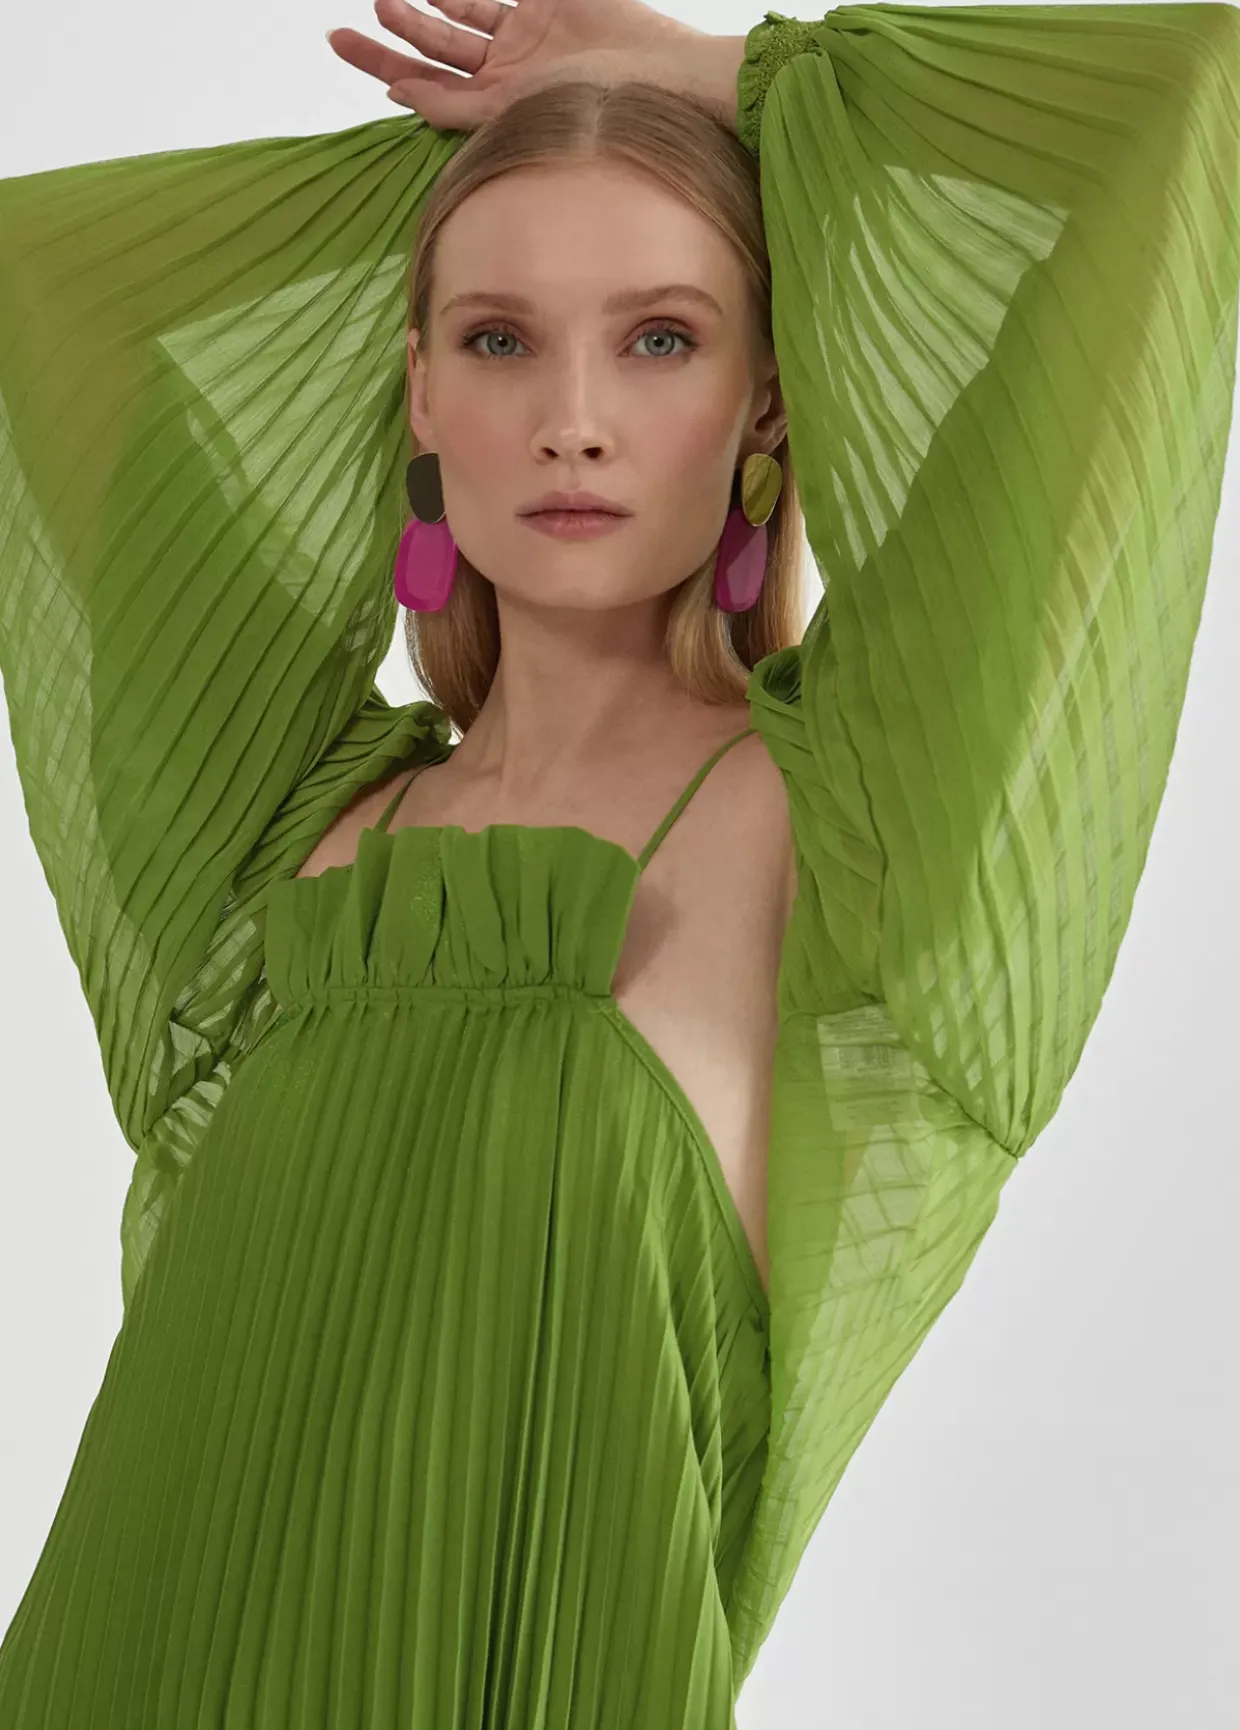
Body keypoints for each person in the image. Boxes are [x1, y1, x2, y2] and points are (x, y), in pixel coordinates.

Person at [0, 0, 1237, 1722]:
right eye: (499, 341)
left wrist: (719, 81)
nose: (570, 418)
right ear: (417, 389)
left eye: (660, 338)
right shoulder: (283, 838)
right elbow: (50, 300)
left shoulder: (845, 826)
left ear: (765, 400)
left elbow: (1173, 108)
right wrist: (495, 163)